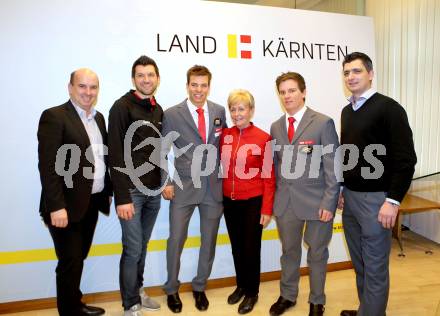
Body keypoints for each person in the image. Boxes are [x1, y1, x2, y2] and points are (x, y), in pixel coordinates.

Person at [339, 52, 417, 316]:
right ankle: (369, 310)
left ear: (370, 74)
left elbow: (406, 159)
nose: (351, 76)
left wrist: (392, 201)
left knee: (374, 266)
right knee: (360, 263)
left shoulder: (389, 108)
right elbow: (348, 154)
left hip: (377, 200)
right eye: (347, 72)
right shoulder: (347, 111)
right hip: (350, 198)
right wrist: (341, 188)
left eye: (357, 71)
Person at [37, 68, 112, 316]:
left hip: (91, 203)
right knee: (69, 262)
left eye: (93, 87)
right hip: (65, 207)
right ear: (70, 87)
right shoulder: (55, 116)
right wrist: (56, 206)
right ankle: (69, 311)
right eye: (82, 86)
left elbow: (101, 158)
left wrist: (108, 190)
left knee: (78, 258)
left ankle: (75, 304)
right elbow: (48, 167)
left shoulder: (98, 118)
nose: (88, 92)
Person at [269, 72, 340, 316]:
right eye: (283, 91)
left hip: (317, 203)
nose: (287, 96)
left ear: (303, 92)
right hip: (286, 204)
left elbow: (333, 167)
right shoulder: (276, 126)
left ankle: (317, 301)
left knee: (317, 253)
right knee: (289, 252)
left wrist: (329, 202)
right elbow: (277, 166)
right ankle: (287, 296)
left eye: (292, 90)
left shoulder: (322, 122)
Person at [161, 65, 227, 313]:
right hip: (183, 186)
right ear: (187, 85)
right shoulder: (172, 114)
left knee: (208, 241)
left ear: (209, 86)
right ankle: (172, 289)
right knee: (176, 240)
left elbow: (223, 147)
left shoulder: (219, 111)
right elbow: (161, 151)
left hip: (213, 187)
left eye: (203, 85)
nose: (199, 90)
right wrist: (166, 182)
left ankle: (200, 287)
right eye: (194, 84)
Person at [108, 55, 163, 316]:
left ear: (157, 78)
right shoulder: (121, 107)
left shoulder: (157, 108)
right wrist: (121, 197)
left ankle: (138, 291)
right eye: (141, 75)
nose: (146, 79)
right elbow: (115, 154)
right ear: (134, 79)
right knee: (132, 249)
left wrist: (164, 182)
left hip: (153, 192)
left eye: (150, 75)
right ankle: (130, 304)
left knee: (142, 245)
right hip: (130, 192)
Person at [220, 89, 275, 314]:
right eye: (232, 109)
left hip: (253, 201)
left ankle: (252, 292)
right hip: (229, 201)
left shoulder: (264, 138)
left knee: (251, 249)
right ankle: (241, 285)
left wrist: (267, 208)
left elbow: (270, 176)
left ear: (251, 110)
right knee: (237, 247)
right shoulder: (225, 135)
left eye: (241, 108)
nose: (236, 113)